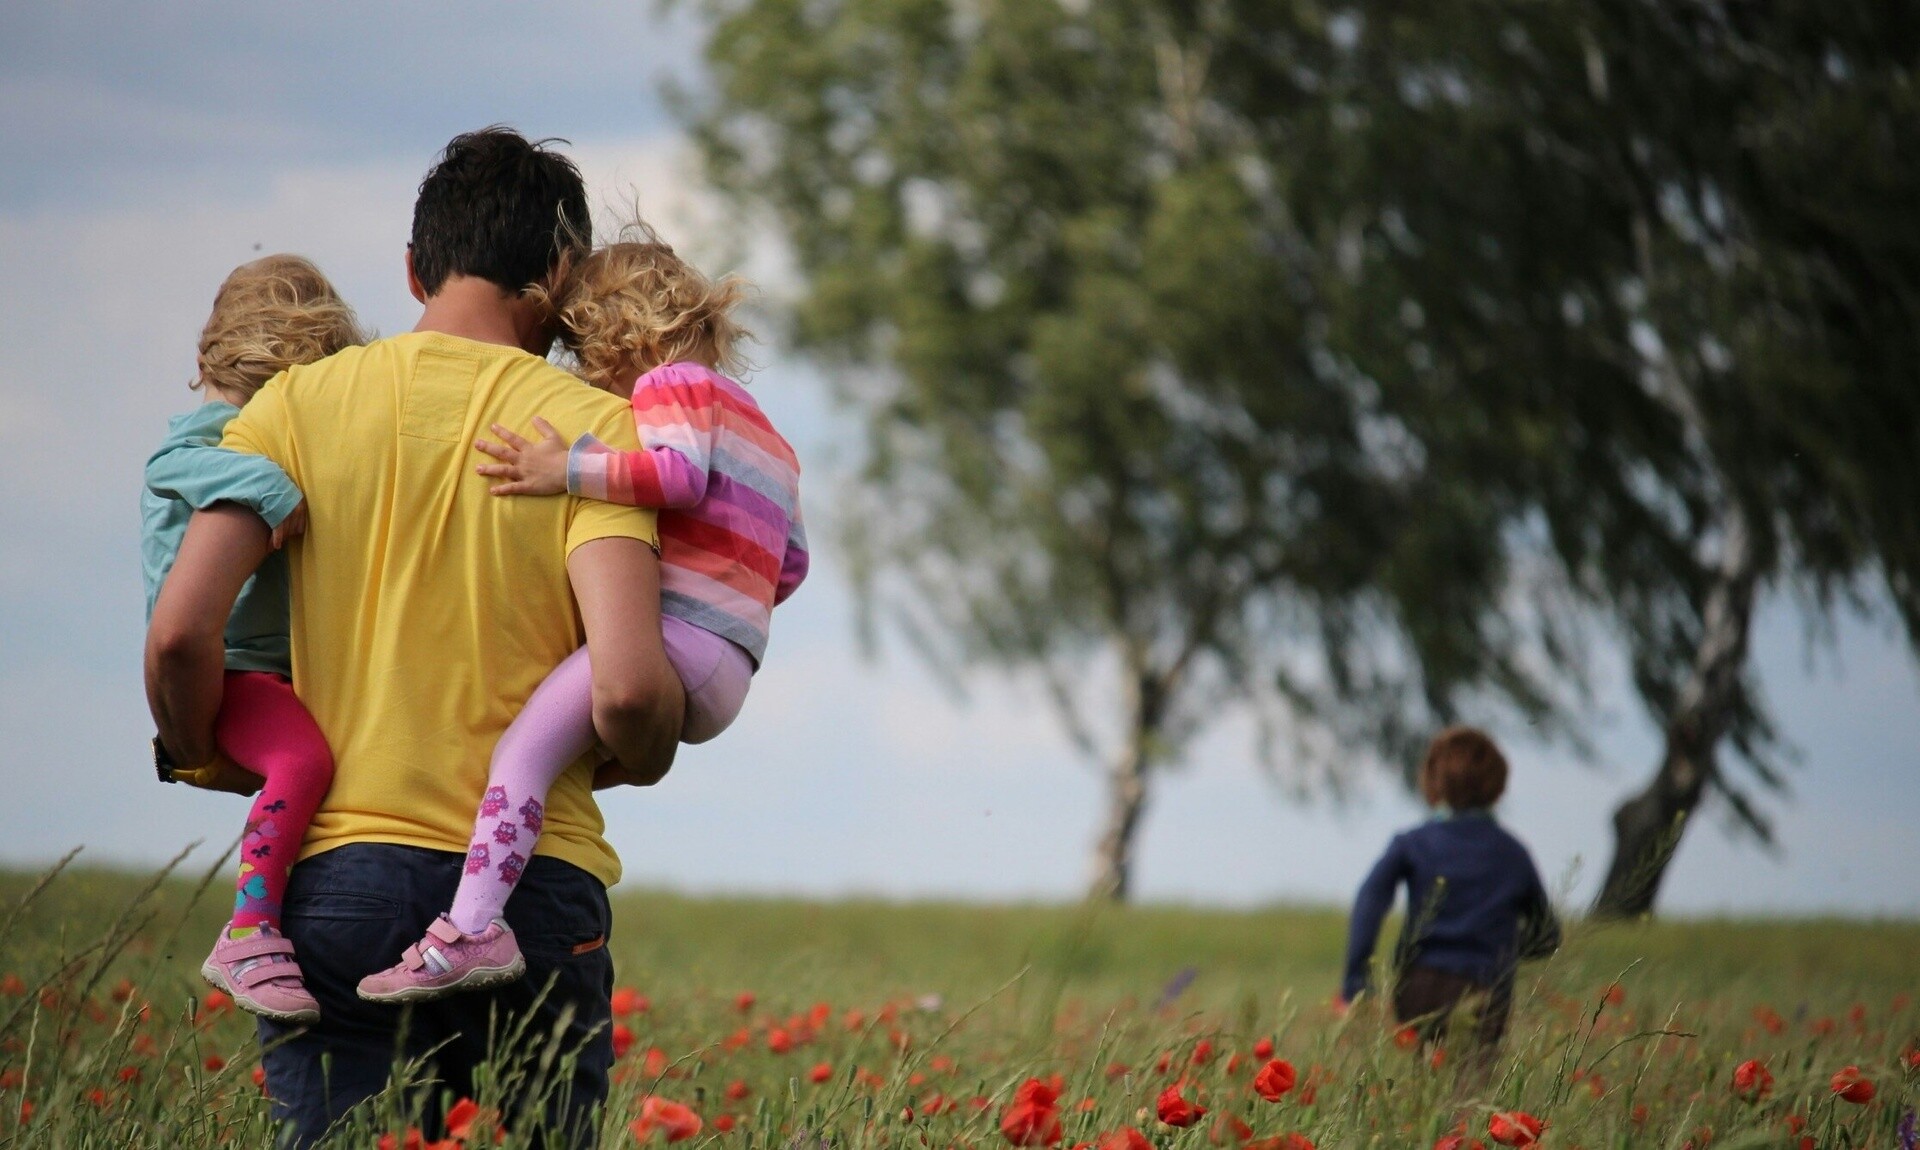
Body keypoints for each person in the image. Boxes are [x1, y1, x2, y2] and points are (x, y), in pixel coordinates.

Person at [146, 127, 685, 1147]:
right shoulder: (593, 434)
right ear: (560, 275)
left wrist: (202, 747)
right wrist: (643, 754)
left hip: (338, 878)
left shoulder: (293, 407)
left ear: (411, 268)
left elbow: (180, 634)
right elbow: (625, 690)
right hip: (531, 892)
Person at [358, 227, 808, 1002]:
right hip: (732, 664)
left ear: (621, 333)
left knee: (520, 756)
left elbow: (675, 477)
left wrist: (563, 468)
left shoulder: (672, 387)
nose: (585, 373)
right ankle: (496, 890)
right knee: (559, 761)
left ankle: (471, 928)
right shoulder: (770, 434)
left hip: (677, 643)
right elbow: (791, 564)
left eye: (584, 350)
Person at [143, 254, 364, 1023]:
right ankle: (250, 929)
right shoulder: (213, 436)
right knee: (303, 760)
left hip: (267, 670)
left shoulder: (243, 428)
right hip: (233, 669)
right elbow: (171, 464)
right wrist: (271, 487)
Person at [1339, 726, 1560, 1058]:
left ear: (1433, 780)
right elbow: (1547, 935)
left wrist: (1357, 981)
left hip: (1419, 984)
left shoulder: (1413, 844)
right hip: (1486, 989)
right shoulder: (1513, 853)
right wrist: (1502, 951)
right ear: (1497, 786)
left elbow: (1369, 901)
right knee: (1471, 1090)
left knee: (1423, 1083)